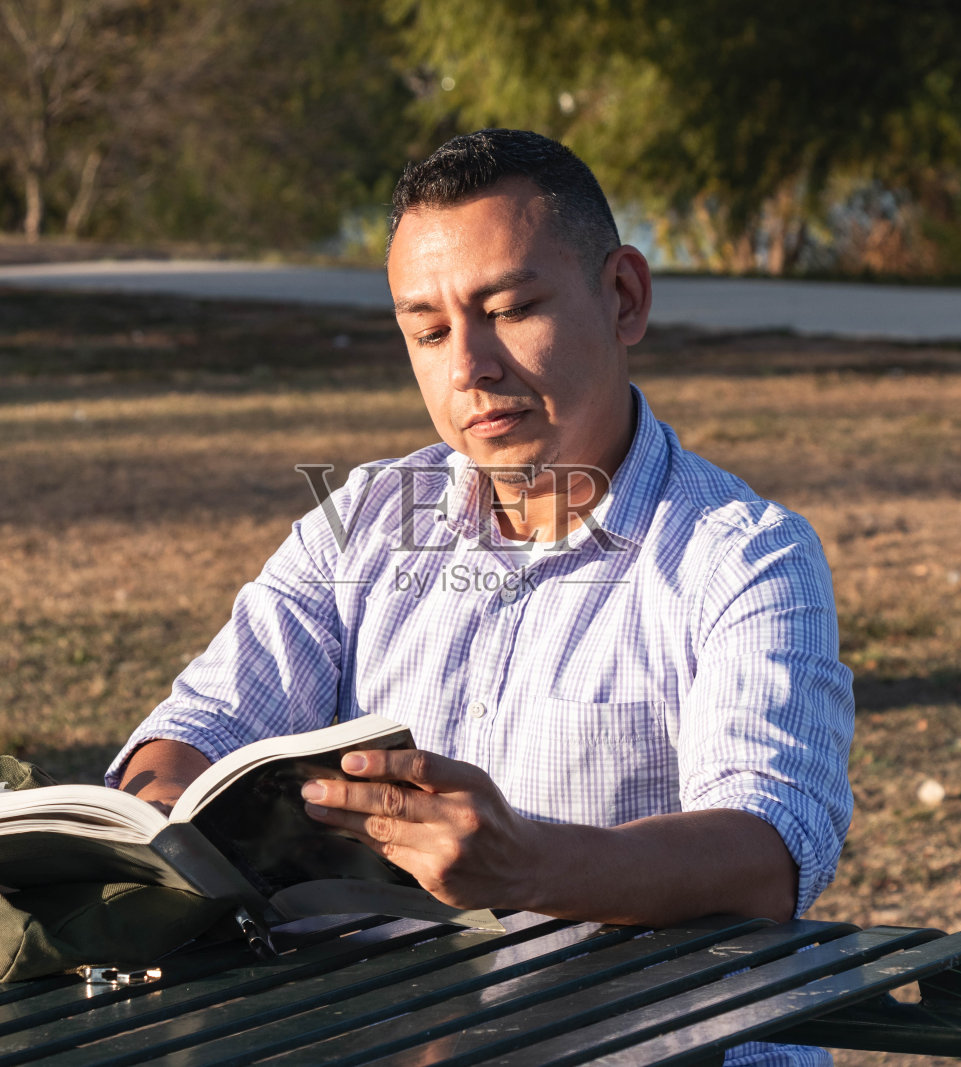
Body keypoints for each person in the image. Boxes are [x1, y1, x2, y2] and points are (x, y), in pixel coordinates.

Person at [107, 129, 853, 1064]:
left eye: (508, 309)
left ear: (624, 297)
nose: (468, 367)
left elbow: (766, 852)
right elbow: (202, 724)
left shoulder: (743, 554)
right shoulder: (363, 522)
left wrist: (528, 863)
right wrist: (156, 815)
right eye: (428, 331)